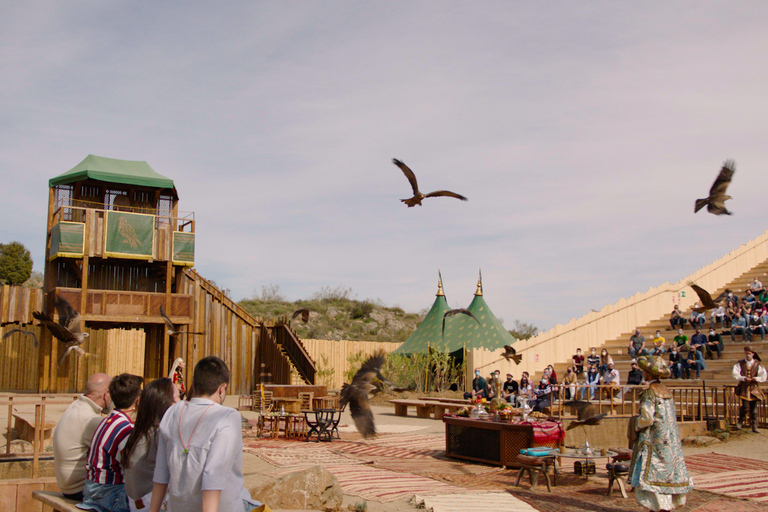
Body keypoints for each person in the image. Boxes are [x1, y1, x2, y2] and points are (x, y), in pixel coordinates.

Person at [150, 356, 263, 512]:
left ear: (193, 384)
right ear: (222, 389)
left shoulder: (173, 411)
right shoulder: (227, 416)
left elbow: (161, 473)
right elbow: (213, 476)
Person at [628, 355, 693, 511]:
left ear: (648, 374)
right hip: (668, 439)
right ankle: (666, 505)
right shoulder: (666, 391)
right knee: (668, 472)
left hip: (653, 439)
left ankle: (658, 508)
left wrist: (634, 424)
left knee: (654, 473)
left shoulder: (650, 393)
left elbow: (647, 418)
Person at [79, 373, 144, 512]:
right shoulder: (124, 429)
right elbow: (132, 466)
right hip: (108, 492)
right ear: (138, 400)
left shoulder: (108, 420)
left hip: (91, 489)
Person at [122, 378, 179, 512]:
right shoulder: (160, 434)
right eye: (177, 397)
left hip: (136, 504)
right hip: (149, 505)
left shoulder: (140, 430)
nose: (180, 402)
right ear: (165, 403)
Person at [53, 373, 112, 501]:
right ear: (106, 394)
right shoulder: (90, 419)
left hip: (66, 485)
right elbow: (115, 452)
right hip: (79, 489)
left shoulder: (76, 406)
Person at [732, 345, 767, 432]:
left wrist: (756, 379)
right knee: (745, 406)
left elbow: (764, 375)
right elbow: (735, 373)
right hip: (744, 387)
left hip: (753, 388)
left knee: (754, 408)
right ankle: (740, 422)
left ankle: (754, 426)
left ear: (753, 354)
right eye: (746, 354)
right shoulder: (740, 363)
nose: (748, 355)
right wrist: (743, 378)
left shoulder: (757, 364)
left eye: (749, 354)